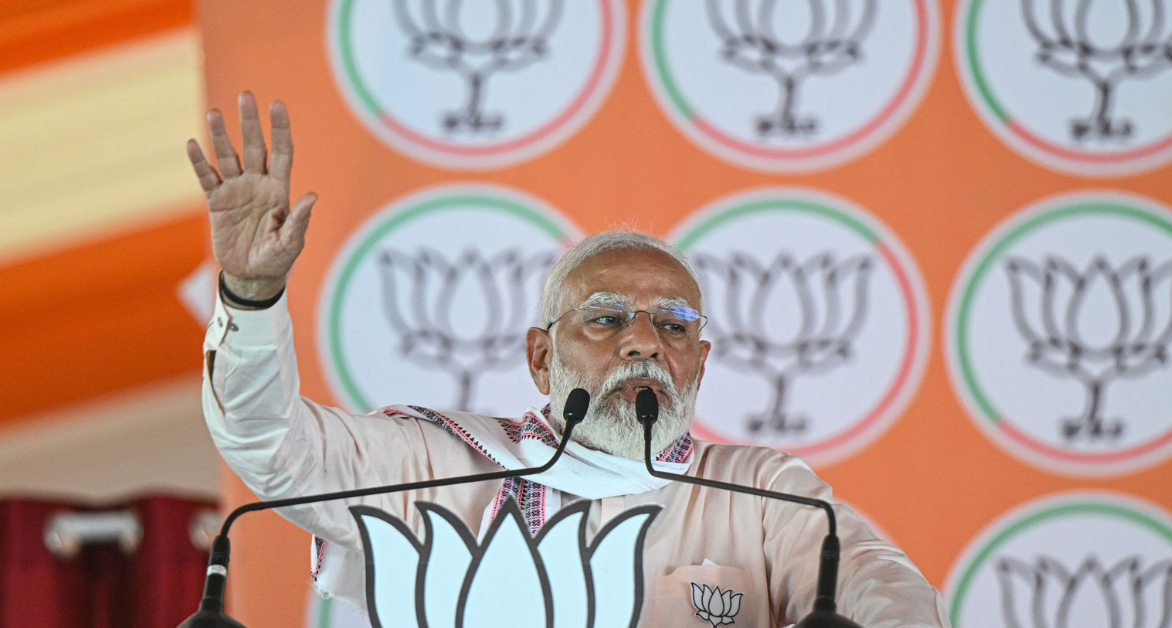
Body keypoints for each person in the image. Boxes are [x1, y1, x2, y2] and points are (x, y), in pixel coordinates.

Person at [188, 92, 951, 627]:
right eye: (607, 317)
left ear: (700, 363)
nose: (645, 341)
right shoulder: (438, 467)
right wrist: (250, 297)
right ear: (543, 359)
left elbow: (874, 576)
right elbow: (269, 445)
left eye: (675, 326)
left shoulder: (758, 494)